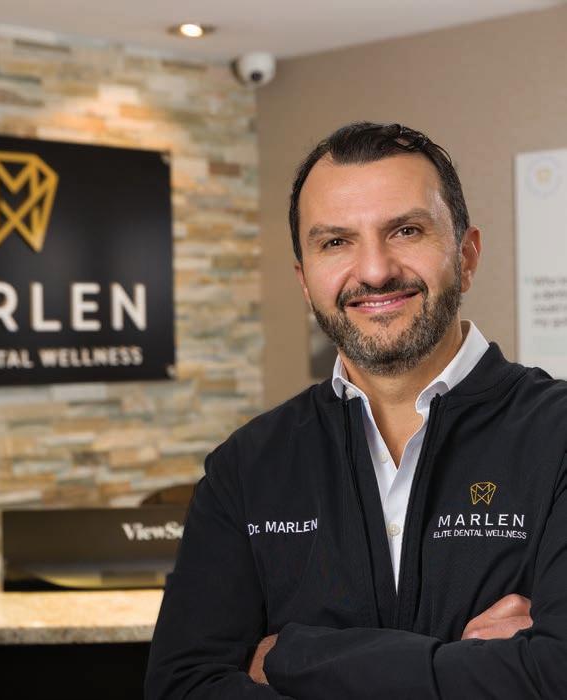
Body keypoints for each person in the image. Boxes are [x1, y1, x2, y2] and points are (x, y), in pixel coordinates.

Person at [144, 122, 567, 699]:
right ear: (304, 280)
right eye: (335, 242)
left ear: (467, 256)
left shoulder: (557, 437)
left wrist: (294, 657)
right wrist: (472, 672)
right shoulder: (245, 467)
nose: (374, 271)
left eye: (406, 231)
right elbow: (182, 687)